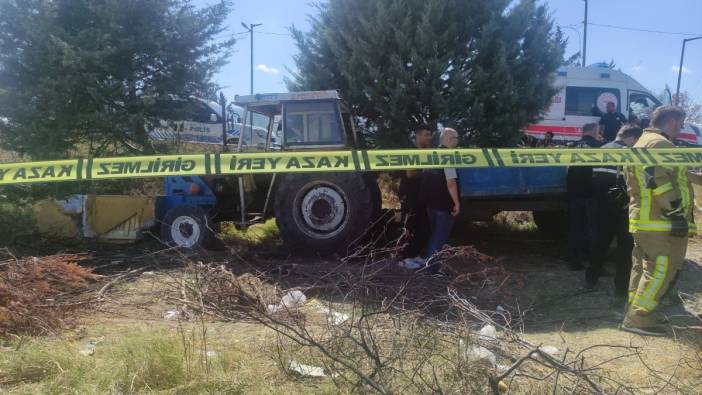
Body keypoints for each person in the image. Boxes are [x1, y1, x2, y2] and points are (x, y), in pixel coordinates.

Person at [621, 106, 702, 336]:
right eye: (681, 123)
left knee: (642, 267)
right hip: (661, 221)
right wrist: (676, 214)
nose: (681, 128)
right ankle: (638, 317)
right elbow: (657, 181)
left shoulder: (642, 142)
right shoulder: (661, 144)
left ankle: (634, 310)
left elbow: (675, 174)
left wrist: (696, 178)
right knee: (662, 269)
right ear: (674, 120)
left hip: (644, 220)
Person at [585, 125, 643, 292]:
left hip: (600, 205)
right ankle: (621, 288)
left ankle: (590, 280)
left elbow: (595, 178)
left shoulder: (602, 148)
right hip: (622, 207)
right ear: (632, 137)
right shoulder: (629, 152)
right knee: (625, 249)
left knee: (598, 244)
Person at [415, 127, 461, 275]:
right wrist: (457, 203)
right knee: (439, 238)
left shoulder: (432, 154)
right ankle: (432, 270)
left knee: (435, 234)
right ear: (449, 140)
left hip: (431, 204)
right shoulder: (447, 156)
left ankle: (429, 264)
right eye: (455, 138)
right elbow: (451, 182)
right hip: (443, 204)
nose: (457, 141)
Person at [566, 123, 603, 270]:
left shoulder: (572, 145)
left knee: (575, 227)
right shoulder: (598, 145)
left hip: (574, 192)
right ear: (595, 131)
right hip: (591, 192)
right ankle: (593, 261)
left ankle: (573, 259)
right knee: (593, 229)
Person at [398, 125, 434, 263]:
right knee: (409, 226)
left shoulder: (424, 151)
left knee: (422, 227)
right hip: (410, 195)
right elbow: (411, 173)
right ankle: (404, 258)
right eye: (426, 134)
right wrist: (428, 172)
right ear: (417, 135)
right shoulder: (412, 151)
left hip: (420, 196)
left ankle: (415, 256)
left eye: (430, 135)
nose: (429, 138)